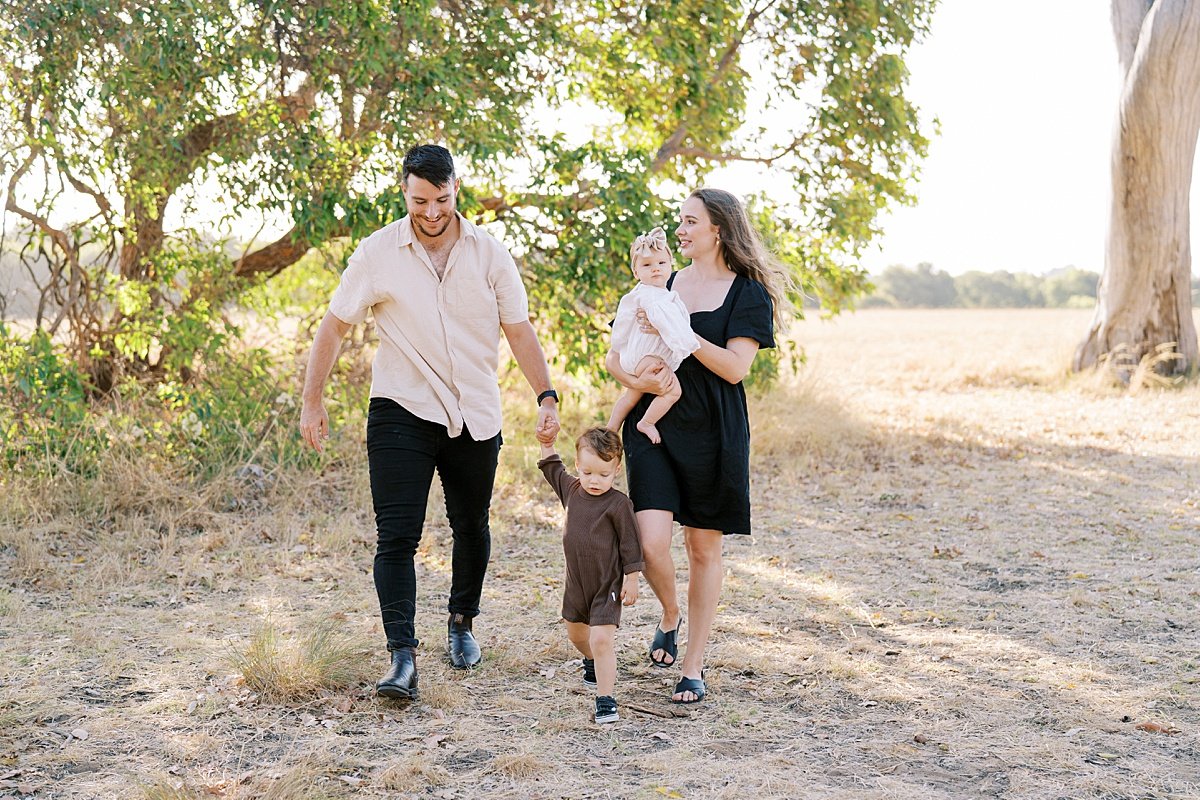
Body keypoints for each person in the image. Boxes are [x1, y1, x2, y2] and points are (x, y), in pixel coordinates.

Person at [299, 144, 560, 700]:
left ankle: (462, 623)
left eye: (442, 199)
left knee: (471, 525)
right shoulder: (377, 254)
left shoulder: (490, 254)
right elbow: (334, 327)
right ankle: (402, 658)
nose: (433, 212)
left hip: (475, 411)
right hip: (402, 407)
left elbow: (519, 329)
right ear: (405, 193)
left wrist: (546, 394)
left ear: (456, 190)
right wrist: (312, 400)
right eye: (421, 200)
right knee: (397, 536)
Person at [604, 188, 791, 704]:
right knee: (650, 543)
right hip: (654, 424)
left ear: (718, 229)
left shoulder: (747, 292)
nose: (680, 231)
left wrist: (683, 333)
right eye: (679, 223)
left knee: (704, 548)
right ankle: (669, 612)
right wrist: (624, 374)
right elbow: (625, 356)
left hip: (714, 429)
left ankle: (693, 664)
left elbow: (734, 368)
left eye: (690, 222)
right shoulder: (661, 281)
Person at [537, 427, 643, 724]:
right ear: (578, 465)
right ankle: (592, 663)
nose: (595, 481)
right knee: (576, 633)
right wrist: (547, 443)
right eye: (587, 473)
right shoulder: (572, 490)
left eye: (604, 474)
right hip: (576, 583)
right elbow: (552, 469)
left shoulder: (618, 504)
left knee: (601, 639)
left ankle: (606, 700)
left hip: (606, 585)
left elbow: (630, 544)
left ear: (616, 469)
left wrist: (632, 578)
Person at [606, 227, 700, 444]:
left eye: (661, 263)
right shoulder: (654, 297)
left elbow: (621, 326)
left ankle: (610, 429)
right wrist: (684, 345)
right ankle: (646, 422)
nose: (656, 269)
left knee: (631, 395)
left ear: (670, 265)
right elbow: (669, 327)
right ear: (636, 272)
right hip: (649, 358)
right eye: (647, 265)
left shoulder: (641, 293)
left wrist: (620, 348)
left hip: (635, 359)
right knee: (673, 392)